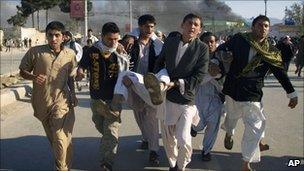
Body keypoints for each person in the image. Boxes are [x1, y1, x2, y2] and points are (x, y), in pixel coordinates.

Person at [218, 15, 298, 171]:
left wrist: (292, 93)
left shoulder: (271, 51)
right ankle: (229, 133)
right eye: (260, 25)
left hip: (253, 94)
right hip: (233, 90)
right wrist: (222, 57)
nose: (263, 28)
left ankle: (246, 163)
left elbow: (280, 72)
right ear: (253, 27)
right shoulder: (239, 40)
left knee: (256, 127)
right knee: (231, 119)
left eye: (266, 26)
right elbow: (221, 50)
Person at [151, 13, 209, 170]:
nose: (192, 26)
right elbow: (160, 61)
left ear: (200, 30)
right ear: (182, 25)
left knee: (183, 140)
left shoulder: (202, 48)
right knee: (169, 139)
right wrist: (159, 78)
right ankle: (173, 164)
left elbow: (199, 75)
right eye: (189, 23)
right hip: (166, 98)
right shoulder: (171, 41)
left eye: (196, 25)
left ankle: (181, 166)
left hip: (186, 99)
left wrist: (176, 83)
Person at [19, 21, 77, 170]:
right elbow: (22, 71)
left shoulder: (70, 54)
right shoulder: (35, 52)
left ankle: (60, 168)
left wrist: (73, 94)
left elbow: (71, 76)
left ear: (63, 37)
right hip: (42, 102)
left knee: (59, 137)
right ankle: (65, 165)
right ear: (47, 36)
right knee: (57, 140)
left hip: (62, 101)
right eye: (50, 35)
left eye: (57, 35)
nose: (53, 39)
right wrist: (33, 77)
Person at [76, 22, 129, 171]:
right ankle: (110, 142)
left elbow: (127, 70)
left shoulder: (120, 52)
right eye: (110, 39)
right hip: (96, 97)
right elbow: (82, 65)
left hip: (115, 98)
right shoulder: (92, 51)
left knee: (111, 129)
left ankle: (107, 162)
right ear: (102, 37)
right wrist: (80, 72)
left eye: (116, 39)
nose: (113, 42)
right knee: (100, 125)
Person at [126, 14, 164, 165]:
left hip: (151, 85)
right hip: (134, 84)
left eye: (152, 27)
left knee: (152, 118)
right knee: (139, 114)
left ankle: (154, 151)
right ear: (140, 27)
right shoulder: (130, 42)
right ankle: (146, 138)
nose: (150, 29)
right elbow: (121, 59)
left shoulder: (158, 45)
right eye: (146, 26)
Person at [191, 32, 226, 161]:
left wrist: (216, 73)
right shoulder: (195, 58)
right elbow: (197, 78)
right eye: (207, 41)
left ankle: (206, 151)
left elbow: (221, 74)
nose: (210, 44)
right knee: (198, 125)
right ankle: (193, 128)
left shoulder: (222, 59)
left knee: (213, 125)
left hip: (215, 97)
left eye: (212, 41)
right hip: (197, 96)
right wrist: (211, 72)